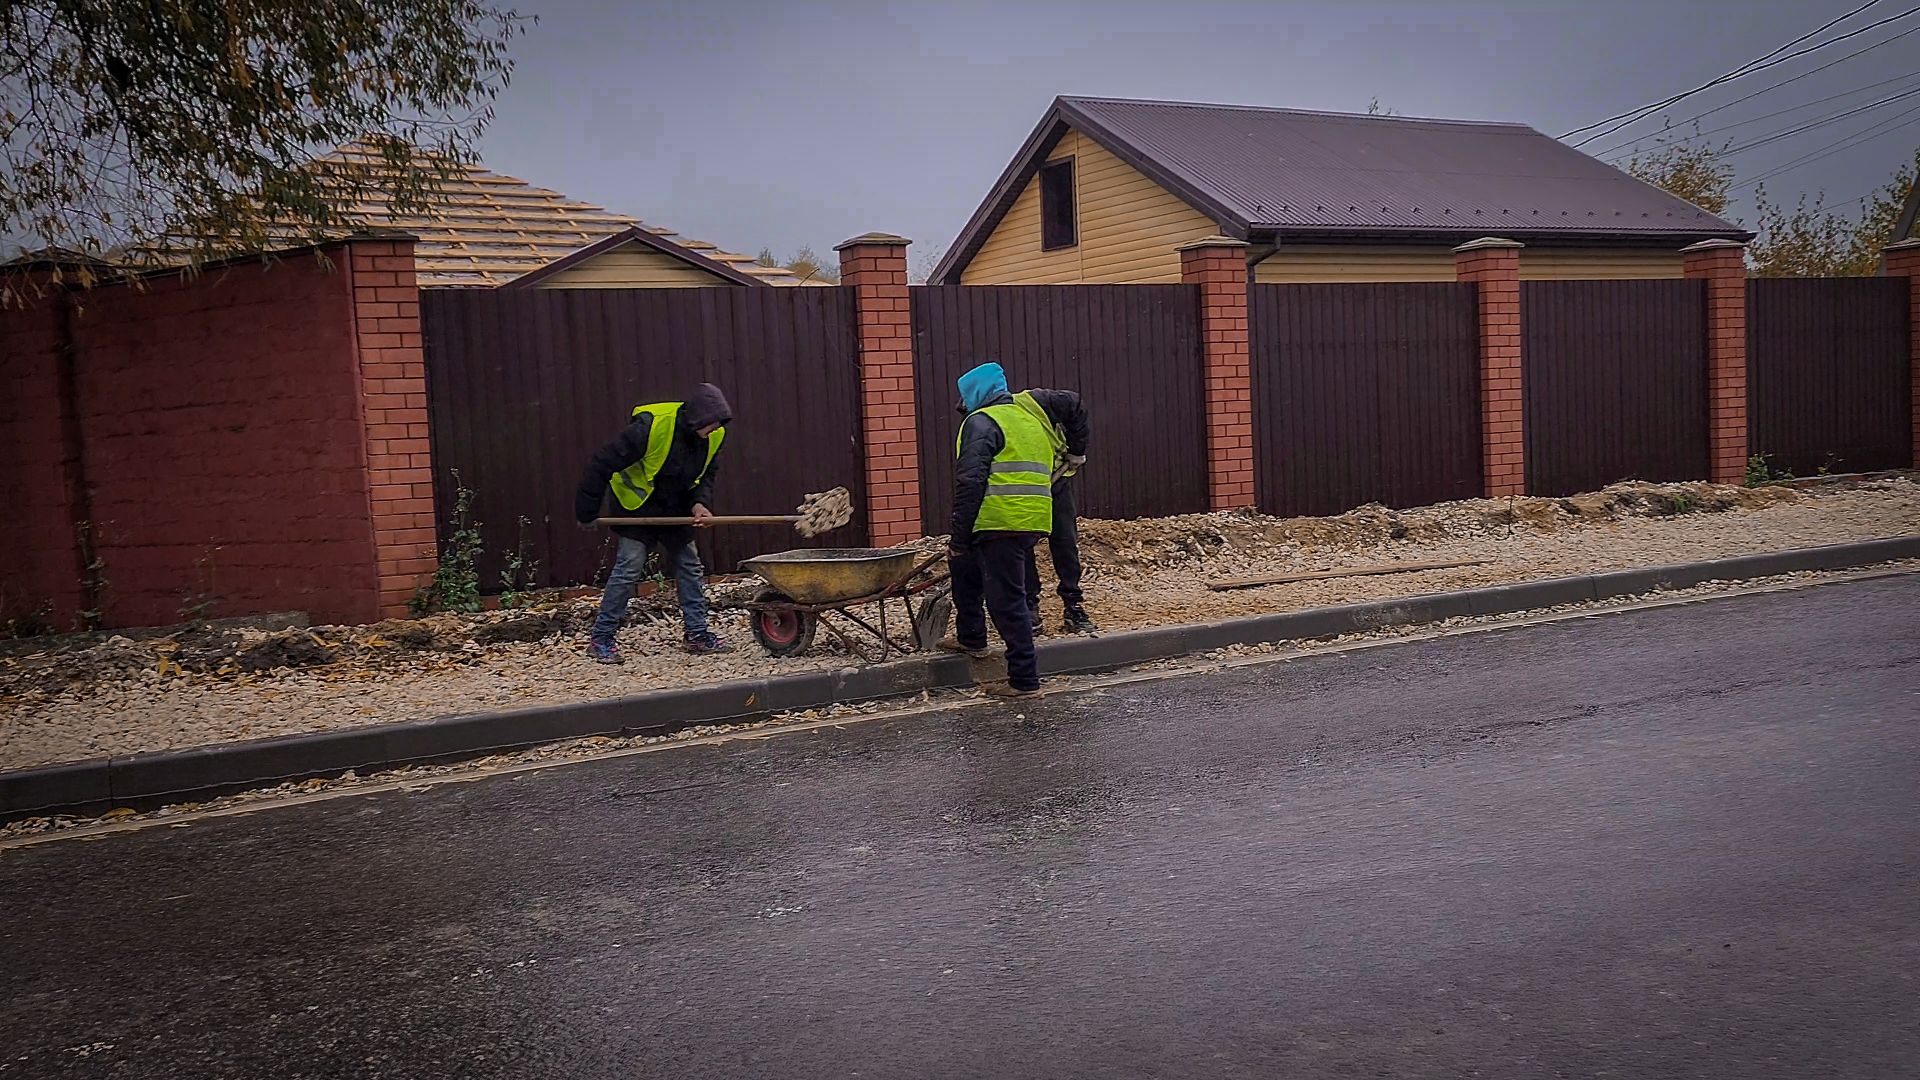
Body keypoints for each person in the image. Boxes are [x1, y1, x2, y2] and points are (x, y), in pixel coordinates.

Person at [574, 383, 734, 663]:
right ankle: (602, 639)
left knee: (689, 565)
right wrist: (586, 512)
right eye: (711, 424)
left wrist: (700, 503)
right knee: (629, 567)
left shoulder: (714, 435)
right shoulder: (649, 429)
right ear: (696, 418)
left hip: (676, 506)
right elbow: (601, 464)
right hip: (637, 506)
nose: (715, 429)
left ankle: (696, 634)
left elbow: (707, 474)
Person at [943, 361, 1053, 698]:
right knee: (965, 571)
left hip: (999, 519)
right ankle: (971, 638)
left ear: (977, 393)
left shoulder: (981, 422)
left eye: (965, 395)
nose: (962, 403)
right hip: (1029, 518)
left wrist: (959, 537)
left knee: (1006, 601)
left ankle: (1024, 680)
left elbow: (970, 481)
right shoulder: (1030, 421)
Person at [1010, 385, 1095, 635]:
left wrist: (1076, 450)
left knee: (1064, 541)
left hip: (1055, 482)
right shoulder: (985, 422)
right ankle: (1029, 607)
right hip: (1022, 490)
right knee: (1023, 545)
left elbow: (1074, 404)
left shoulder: (1033, 403)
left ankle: (1073, 604)